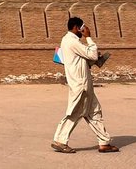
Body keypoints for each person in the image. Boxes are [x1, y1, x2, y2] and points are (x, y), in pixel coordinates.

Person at [51, 16, 119, 154]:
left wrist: (94, 60)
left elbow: (84, 60)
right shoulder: (71, 41)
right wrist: (89, 38)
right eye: (82, 27)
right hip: (80, 84)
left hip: (84, 83)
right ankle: (60, 140)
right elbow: (92, 55)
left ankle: (104, 142)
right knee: (75, 113)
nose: (84, 30)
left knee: (94, 112)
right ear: (76, 28)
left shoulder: (69, 41)